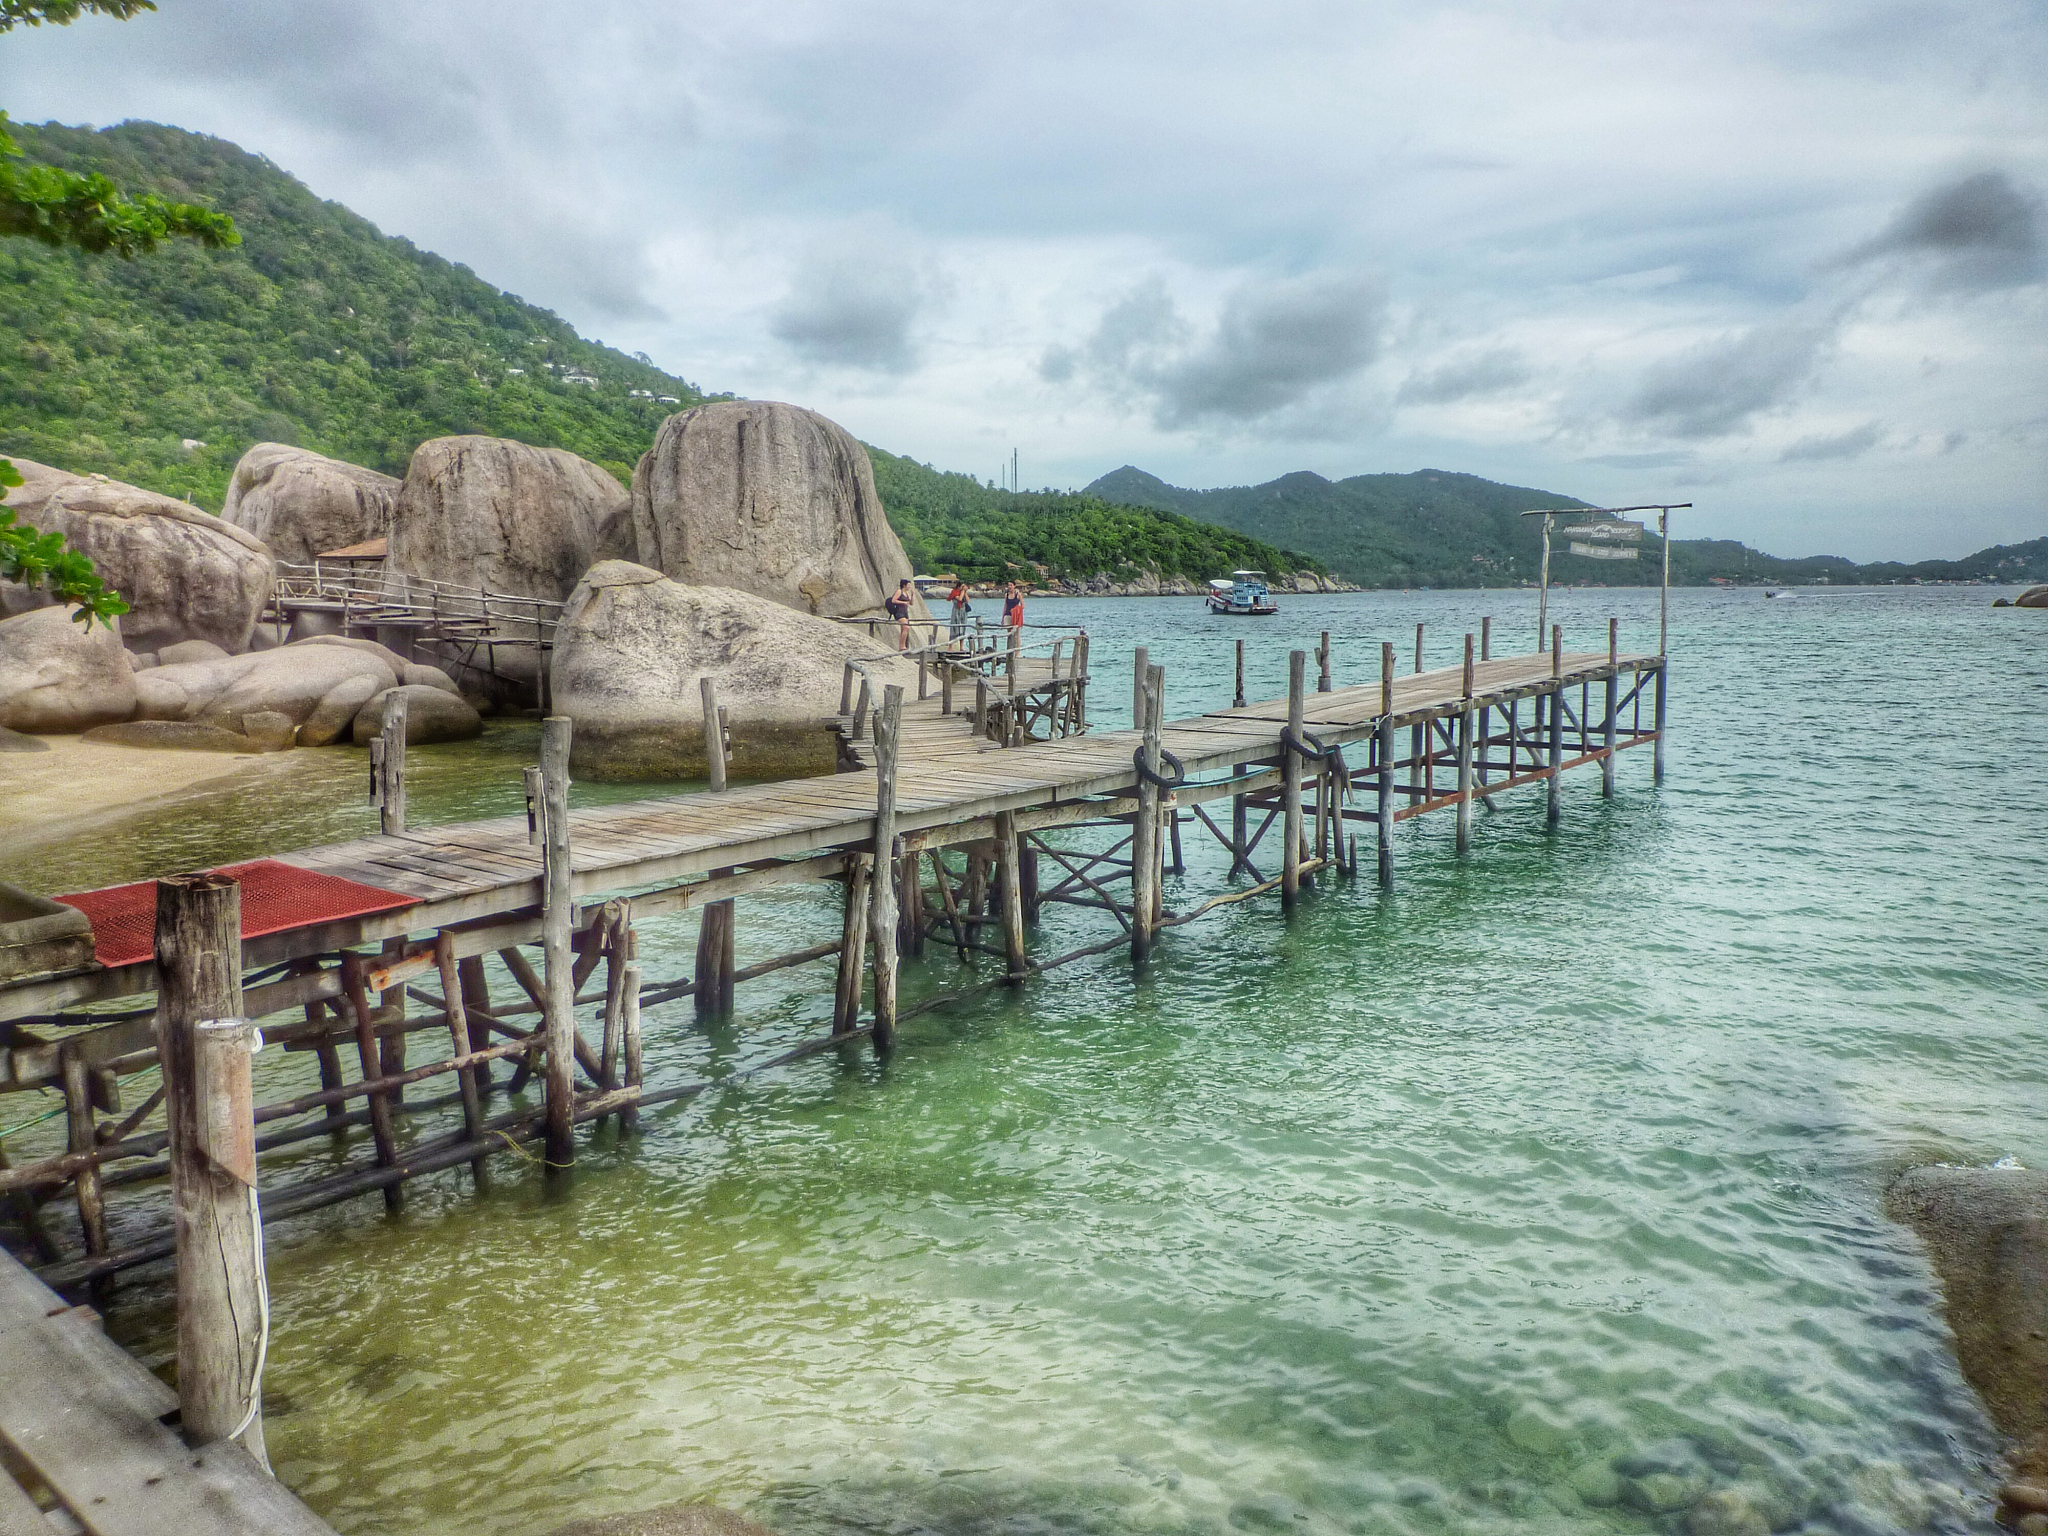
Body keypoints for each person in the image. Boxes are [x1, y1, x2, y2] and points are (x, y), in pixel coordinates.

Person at [886, 577, 915, 650]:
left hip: (905, 612)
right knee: (906, 627)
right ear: (904, 585)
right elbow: (893, 600)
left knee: (904, 629)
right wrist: (903, 602)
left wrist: (912, 595)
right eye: (908, 585)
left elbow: (911, 603)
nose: (909, 586)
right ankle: (902, 646)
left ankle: (901, 646)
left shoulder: (906, 593)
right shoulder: (899, 591)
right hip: (899, 612)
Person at [947, 578, 970, 644]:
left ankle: (961, 646)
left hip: (963, 612)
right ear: (958, 586)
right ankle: (950, 646)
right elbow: (959, 599)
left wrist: (964, 592)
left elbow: (968, 600)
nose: (963, 588)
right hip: (956, 612)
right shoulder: (954, 592)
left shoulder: (963, 593)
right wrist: (963, 591)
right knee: (954, 628)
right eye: (962, 586)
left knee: (962, 628)